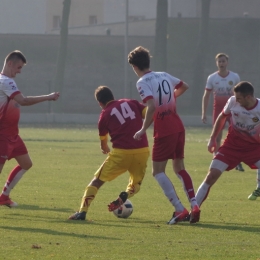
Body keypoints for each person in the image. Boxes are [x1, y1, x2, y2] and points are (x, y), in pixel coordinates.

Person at [128, 46, 200, 224]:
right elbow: (185, 86)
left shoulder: (142, 82)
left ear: (135, 67)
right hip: (178, 126)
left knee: (158, 172)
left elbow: (151, 107)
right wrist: (171, 98)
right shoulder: (163, 75)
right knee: (179, 168)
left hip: (165, 131)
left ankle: (179, 209)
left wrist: (143, 129)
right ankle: (194, 204)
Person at [69, 86, 150, 220]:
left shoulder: (105, 114)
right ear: (112, 96)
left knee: (96, 182)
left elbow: (103, 140)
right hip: (142, 150)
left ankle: (82, 212)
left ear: (100, 103)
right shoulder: (131, 102)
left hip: (121, 154)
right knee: (136, 184)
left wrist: (105, 147)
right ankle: (126, 195)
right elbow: (149, 113)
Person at [0, 50, 60, 207]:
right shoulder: (6, 81)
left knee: (26, 163)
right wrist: (48, 97)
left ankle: (4, 197)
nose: (19, 71)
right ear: (10, 63)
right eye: (18, 67)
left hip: (13, 134)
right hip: (3, 135)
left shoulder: (5, 81)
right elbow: (24, 101)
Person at [196, 81, 260, 212]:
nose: (236, 100)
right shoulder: (232, 102)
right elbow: (221, 117)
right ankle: (194, 209)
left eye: (239, 98)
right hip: (231, 147)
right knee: (211, 176)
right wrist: (213, 139)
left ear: (248, 97)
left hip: (254, 148)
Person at [201, 53, 244, 171]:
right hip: (219, 110)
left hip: (233, 109)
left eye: (223, 61)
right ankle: (217, 160)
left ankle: (237, 161)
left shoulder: (234, 77)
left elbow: (240, 94)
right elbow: (206, 95)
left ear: (227, 63)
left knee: (237, 134)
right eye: (219, 62)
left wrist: (242, 110)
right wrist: (204, 112)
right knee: (217, 135)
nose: (221, 64)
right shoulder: (212, 78)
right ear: (216, 63)